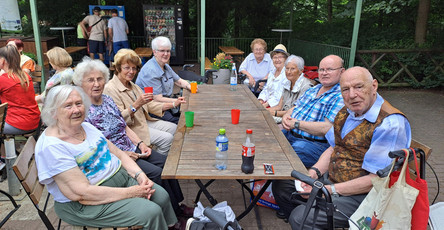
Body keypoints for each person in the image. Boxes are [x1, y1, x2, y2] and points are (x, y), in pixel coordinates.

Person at [272, 66, 412, 229]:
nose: (352, 95)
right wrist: (314, 173)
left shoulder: (390, 124)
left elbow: (376, 180)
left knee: (300, 217)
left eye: (359, 87)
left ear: (374, 86)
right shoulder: (348, 111)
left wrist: (328, 189)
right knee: (283, 185)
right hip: (333, 179)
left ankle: (307, 220)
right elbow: (333, 148)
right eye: (345, 89)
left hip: (365, 195)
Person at [35, 85, 177, 229]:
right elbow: (82, 193)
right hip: (87, 203)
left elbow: (119, 153)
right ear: (53, 112)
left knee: (161, 196)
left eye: (79, 103)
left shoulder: (86, 127)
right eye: (68, 106)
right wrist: (131, 193)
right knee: (150, 212)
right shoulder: (52, 147)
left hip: (120, 181)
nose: (76, 110)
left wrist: (140, 176)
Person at [73, 58, 192, 218]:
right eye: (90, 80)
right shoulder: (82, 110)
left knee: (166, 164)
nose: (96, 84)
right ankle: (170, 217)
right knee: (156, 173)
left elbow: (124, 126)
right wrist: (121, 154)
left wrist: (140, 143)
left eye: (99, 79)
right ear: (81, 83)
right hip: (116, 156)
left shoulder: (107, 100)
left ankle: (177, 206)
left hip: (131, 146)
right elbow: (93, 146)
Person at [104, 49, 181, 155]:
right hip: (131, 129)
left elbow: (149, 105)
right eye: (127, 68)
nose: (131, 72)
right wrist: (136, 104)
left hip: (143, 122)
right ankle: (160, 162)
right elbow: (118, 120)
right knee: (167, 139)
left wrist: (173, 104)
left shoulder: (133, 85)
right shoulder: (110, 88)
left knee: (174, 128)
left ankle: (159, 157)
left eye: (134, 68)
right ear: (118, 68)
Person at [281, 55, 345, 168]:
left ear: (342, 72)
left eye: (329, 69)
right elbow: (295, 107)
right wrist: (286, 115)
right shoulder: (313, 89)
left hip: (313, 144)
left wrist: (296, 123)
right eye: (321, 69)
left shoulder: (341, 96)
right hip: (290, 134)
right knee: (265, 141)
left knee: (281, 159)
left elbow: (327, 128)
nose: (324, 73)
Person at [136, 36, 189, 124]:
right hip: (152, 108)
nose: (166, 54)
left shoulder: (165, 66)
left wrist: (189, 86)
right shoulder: (150, 70)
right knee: (180, 121)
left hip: (165, 103)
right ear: (154, 52)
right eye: (162, 51)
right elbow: (157, 98)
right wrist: (178, 101)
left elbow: (178, 81)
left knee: (185, 114)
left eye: (168, 51)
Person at [0, 45, 40, 134]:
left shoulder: (3, 79)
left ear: (3, 61)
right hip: (34, 121)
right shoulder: (25, 76)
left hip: (18, 124)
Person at [267, 55, 313, 124]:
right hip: (282, 117)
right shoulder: (287, 82)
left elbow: (295, 111)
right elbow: (279, 106)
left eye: (292, 69)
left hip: (293, 121)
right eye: (287, 68)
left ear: (301, 71)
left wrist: (275, 113)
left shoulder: (305, 87)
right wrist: (265, 111)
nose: (288, 72)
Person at [258, 44, 289, 108]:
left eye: (280, 57)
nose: (277, 60)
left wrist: (266, 104)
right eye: (275, 57)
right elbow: (266, 89)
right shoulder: (272, 72)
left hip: (277, 106)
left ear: (285, 59)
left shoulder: (287, 74)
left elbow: (281, 95)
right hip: (266, 102)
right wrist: (260, 100)